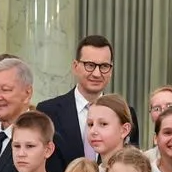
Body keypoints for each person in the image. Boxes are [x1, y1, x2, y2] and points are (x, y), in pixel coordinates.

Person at [39, 35, 140, 164]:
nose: (97, 73)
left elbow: (132, 163)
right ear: (75, 66)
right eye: (90, 65)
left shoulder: (127, 113)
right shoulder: (48, 111)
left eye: (104, 66)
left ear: (111, 70)